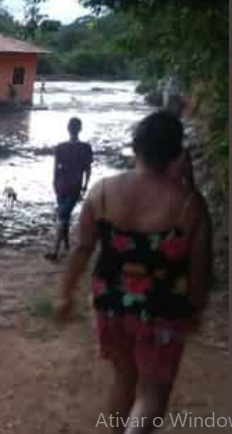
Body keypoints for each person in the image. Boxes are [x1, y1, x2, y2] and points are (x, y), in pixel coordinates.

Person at [55, 111, 212, 434]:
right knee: (153, 390)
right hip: (163, 310)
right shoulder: (189, 205)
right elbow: (200, 268)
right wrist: (195, 309)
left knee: (124, 378)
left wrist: (65, 293)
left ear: (135, 146)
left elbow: (82, 248)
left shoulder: (102, 192)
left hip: (110, 303)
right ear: (176, 154)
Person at [47, 117, 93, 261]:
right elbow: (88, 169)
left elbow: (55, 169)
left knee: (63, 215)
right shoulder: (86, 147)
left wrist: (54, 183)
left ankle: (55, 250)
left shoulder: (60, 147)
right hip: (75, 186)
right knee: (63, 216)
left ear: (68, 129)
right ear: (80, 129)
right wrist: (85, 187)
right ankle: (63, 247)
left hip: (61, 185)